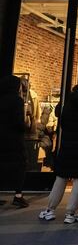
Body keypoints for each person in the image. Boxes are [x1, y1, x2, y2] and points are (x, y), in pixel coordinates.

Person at [38, 85, 78, 223]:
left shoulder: (66, 107)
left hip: (67, 147)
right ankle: (70, 213)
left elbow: (60, 120)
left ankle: (50, 210)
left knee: (61, 178)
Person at [0, 75, 28, 208]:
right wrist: (26, 126)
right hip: (14, 139)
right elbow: (18, 122)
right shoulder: (17, 101)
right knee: (19, 166)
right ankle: (18, 195)